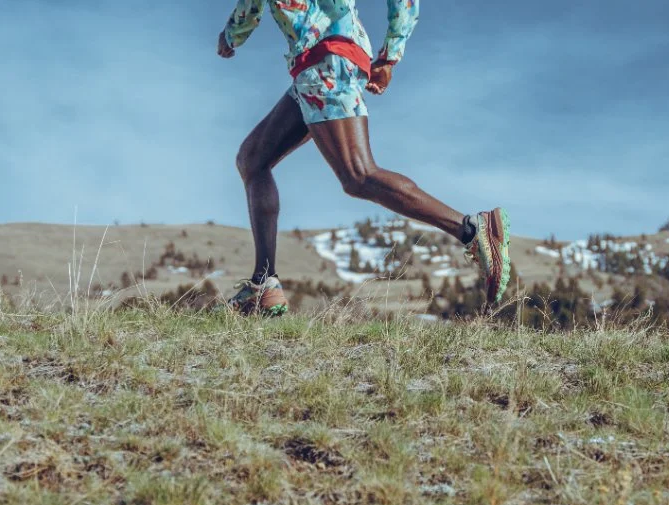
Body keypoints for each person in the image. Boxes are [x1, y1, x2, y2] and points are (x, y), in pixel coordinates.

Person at [216, 0, 512, 316]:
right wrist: (389, 56)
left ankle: (472, 229)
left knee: (358, 175)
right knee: (252, 159)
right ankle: (263, 283)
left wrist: (231, 36)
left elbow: (250, 8)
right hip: (319, 65)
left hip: (326, 62)